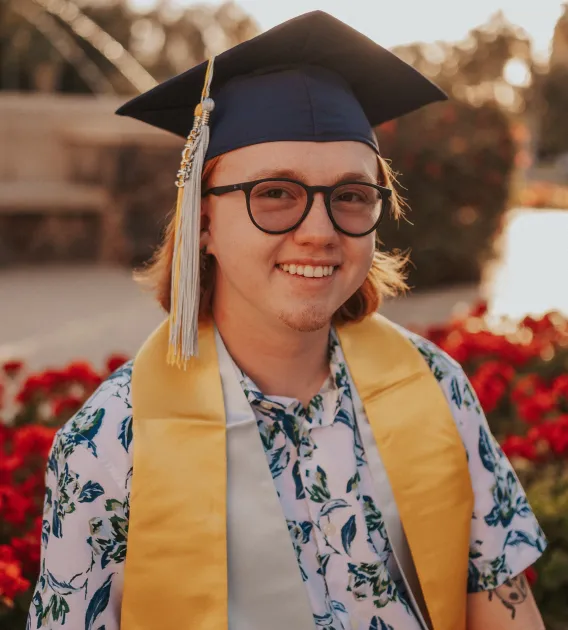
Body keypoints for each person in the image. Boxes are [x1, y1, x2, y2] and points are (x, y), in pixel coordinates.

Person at [28, 11, 547, 630]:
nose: (320, 232)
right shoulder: (110, 444)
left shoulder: (436, 387)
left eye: (351, 196)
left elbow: (503, 608)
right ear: (203, 221)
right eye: (275, 193)